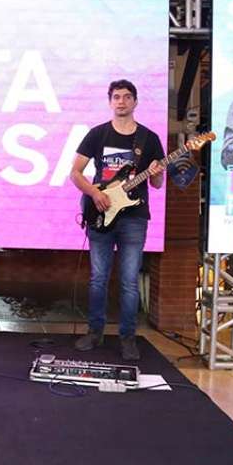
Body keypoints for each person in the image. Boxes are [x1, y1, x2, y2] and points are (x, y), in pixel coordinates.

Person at [69, 79, 165, 362]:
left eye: (126, 97)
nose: (121, 101)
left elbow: (157, 184)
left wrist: (158, 172)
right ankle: (94, 332)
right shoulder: (97, 134)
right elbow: (75, 172)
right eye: (116, 97)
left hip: (134, 217)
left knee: (129, 281)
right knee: (98, 278)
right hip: (101, 213)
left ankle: (128, 337)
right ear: (110, 102)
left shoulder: (149, 139)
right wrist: (94, 193)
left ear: (135, 101)